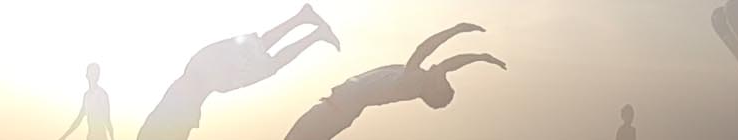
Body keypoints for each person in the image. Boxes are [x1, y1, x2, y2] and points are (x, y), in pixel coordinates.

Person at [137, 4, 341, 140]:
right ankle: (305, 21)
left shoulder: (165, 124)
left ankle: (313, 31)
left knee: (266, 61)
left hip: (209, 75)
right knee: (258, 49)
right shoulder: (160, 123)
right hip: (205, 70)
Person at [283, 23, 503, 140]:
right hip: (336, 110)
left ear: (432, 89)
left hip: (334, 112)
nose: (443, 74)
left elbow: (422, 50)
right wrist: (480, 57)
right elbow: (450, 64)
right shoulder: (420, 80)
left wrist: (455, 30)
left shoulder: (411, 82)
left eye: (444, 82)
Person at [59, 64, 114, 140]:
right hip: (90, 136)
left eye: (96, 73)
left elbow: (107, 120)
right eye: (92, 73)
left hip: (101, 136)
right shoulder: (87, 96)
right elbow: (79, 119)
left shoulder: (102, 94)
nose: (94, 76)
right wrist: (64, 136)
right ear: (87, 75)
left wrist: (112, 137)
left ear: (98, 76)